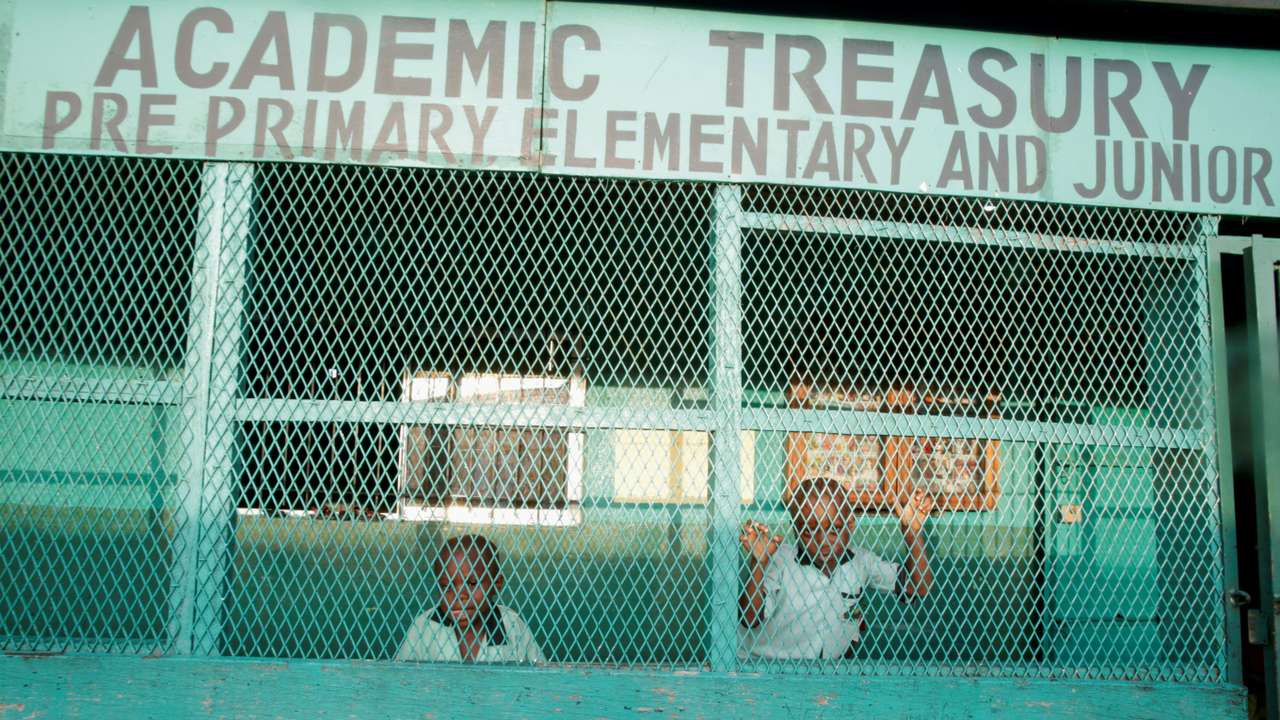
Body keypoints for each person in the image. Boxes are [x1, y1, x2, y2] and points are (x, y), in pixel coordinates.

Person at [738, 477, 935, 659]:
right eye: (808, 530)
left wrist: (912, 533)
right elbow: (749, 618)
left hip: (823, 677)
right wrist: (759, 562)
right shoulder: (780, 559)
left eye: (834, 530)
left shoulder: (861, 561)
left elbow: (918, 588)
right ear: (795, 528)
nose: (823, 541)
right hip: (761, 666)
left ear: (850, 525)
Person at [395, 534, 544, 663]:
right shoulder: (425, 626)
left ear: (496, 583)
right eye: (447, 586)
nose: (459, 596)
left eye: (472, 583)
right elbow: (402, 680)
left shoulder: (511, 625)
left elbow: (538, 679)